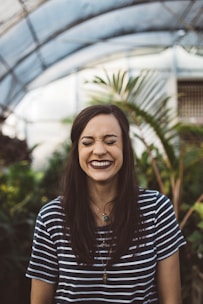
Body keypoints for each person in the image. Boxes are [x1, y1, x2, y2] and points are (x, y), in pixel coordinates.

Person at [26, 104, 186, 304]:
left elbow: (172, 300)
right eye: (87, 142)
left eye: (110, 141)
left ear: (125, 148)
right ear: (77, 151)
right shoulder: (52, 216)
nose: (99, 151)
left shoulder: (156, 209)